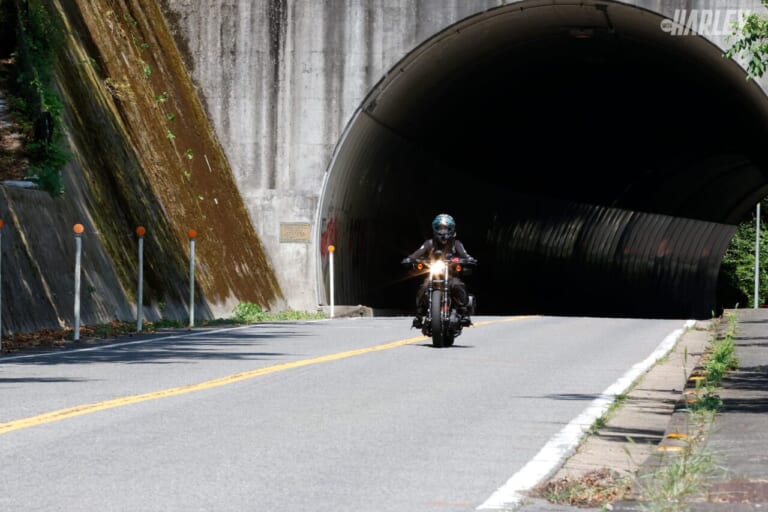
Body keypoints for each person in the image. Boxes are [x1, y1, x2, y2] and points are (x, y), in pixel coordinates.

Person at [401, 213, 477, 329]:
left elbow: (465, 255)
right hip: (434, 276)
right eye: (440, 228)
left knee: (457, 285)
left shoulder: (456, 244)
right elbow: (417, 253)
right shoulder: (429, 243)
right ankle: (420, 315)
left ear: (451, 229)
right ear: (435, 229)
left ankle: (463, 313)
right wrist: (410, 259)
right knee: (424, 286)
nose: (443, 231)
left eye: (445, 228)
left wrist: (469, 259)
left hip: (451, 276)